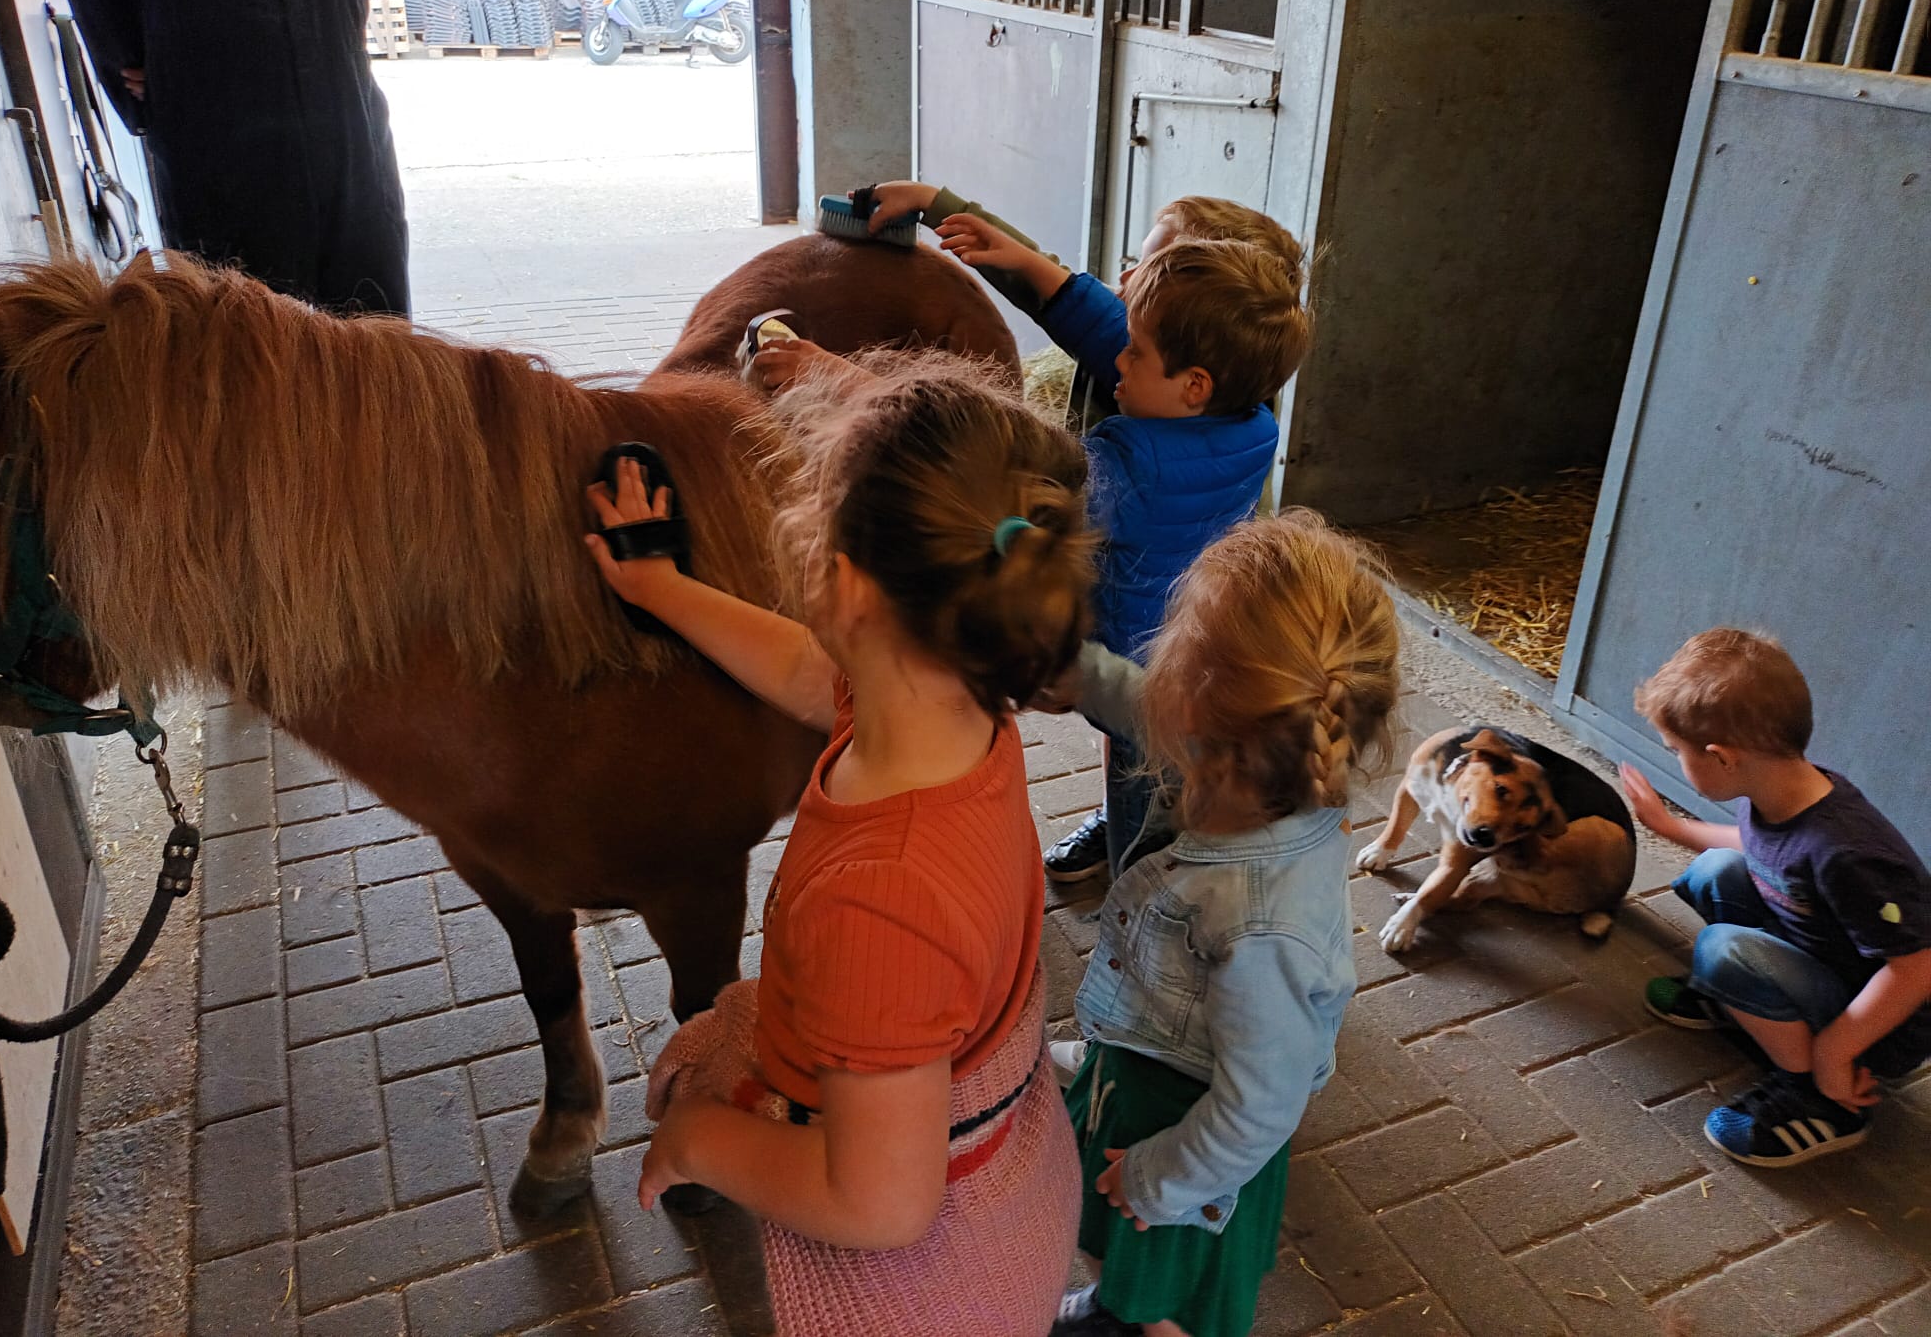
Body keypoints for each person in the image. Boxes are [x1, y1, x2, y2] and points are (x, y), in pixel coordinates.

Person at [584, 355, 1091, 1334]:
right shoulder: (955, 710)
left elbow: (877, 1202)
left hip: (924, 1298)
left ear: (849, 585)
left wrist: (700, 1140)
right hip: (1008, 1188)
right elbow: (815, 673)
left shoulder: (879, 899)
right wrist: (659, 587)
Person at [781, 182, 1310, 886]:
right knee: (1149, 769)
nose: (1117, 358)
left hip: (1142, 664)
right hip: (1188, 637)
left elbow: (1013, 475)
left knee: (1146, 796)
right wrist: (1031, 268)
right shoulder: (1249, 417)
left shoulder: (1135, 466)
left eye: (1136, 353)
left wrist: (847, 384)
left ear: (1193, 382)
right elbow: (1106, 327)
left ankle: (1141, 903)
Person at [1044, 511, 1398, 1337]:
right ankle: (1117, 1309)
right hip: (1153, 1075)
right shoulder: (1263, 766)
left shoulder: (1256, 926)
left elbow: (1259, 1107)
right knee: (1128, 1264)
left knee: (1169, 1292)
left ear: (1202, 704)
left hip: (1189, 1139)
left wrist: (1162, 1179)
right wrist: (1083, 674)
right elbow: (1151, 707)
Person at [46, 0, 411, 315]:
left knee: (375, 336)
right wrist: (161, 71)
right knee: (246, 347)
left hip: (348, 126)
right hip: (219, 141)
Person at [1624, 628, 1931, 1167]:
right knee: (1715, 871)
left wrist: (1836, 1054)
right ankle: (1746, 1005)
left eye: (1677, 751)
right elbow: (1756, 847)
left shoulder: (1848, 852)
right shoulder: (1778, 789)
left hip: (1883, 1023)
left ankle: (1821, 1097)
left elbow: (1918, 968)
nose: (1674, 759)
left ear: (1722, 757)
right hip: (1823, 957)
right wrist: (1670, 827)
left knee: (1722, 950)